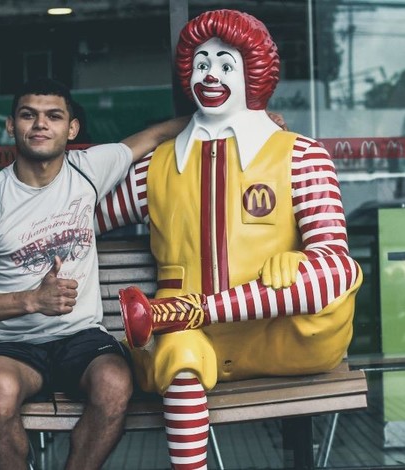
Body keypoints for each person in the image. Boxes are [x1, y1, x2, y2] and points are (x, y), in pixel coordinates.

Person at [95, 10, 363, 470]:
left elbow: (336, 265)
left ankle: (193, 312)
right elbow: (82, 218)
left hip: (286, 335)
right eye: (201, 64)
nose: (210, 74)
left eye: (225, 63)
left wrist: (296, 266)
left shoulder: (301, 157)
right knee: (178, 359)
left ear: (253, 73)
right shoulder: (155, 169)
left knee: (335, 276)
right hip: (192, 339)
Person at [0, 77, 189, 470]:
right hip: (10, 346)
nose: (40, 125)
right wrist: (31, 300)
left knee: (115, 383)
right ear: (11, 125)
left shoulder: (89, 170)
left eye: (53, 116)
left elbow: (158, 133)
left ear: (71, 129)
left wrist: (243, 121)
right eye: (28, 115)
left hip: (81, 339)